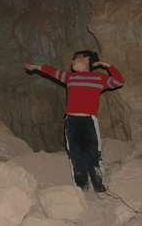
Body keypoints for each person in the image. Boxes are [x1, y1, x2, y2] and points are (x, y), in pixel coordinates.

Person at [24, 51, 124, 196]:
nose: (72, 62)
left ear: (86, 59)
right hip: (71, 121)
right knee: (75, 155)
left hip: (89, 120)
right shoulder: (70, 77)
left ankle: (100, 187)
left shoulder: (99, 78)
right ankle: (81, 188)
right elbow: (52, 72)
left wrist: (107, 65)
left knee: (93, 154)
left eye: (75, 58)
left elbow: (118, 81)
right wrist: (36, 67)